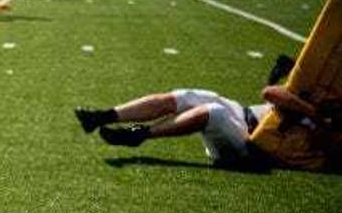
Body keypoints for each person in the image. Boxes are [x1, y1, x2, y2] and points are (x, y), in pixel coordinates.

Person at [74, 66, 337, 171]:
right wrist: (313, 110)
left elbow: (322, 149)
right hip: (241, 111)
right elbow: (271, 92)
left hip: (248, 146)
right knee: (186, 96)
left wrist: (318, 122)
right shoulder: (320, 108)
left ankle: (139, 135)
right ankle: (103, 116)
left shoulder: (332, 141)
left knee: (213, 113)